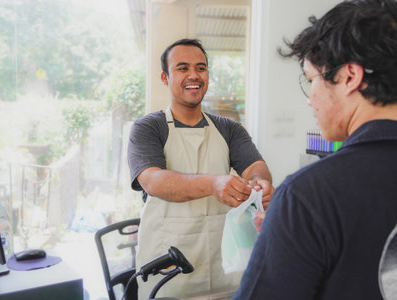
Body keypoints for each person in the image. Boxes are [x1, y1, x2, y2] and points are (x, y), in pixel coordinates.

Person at [233, 0, 397, 299]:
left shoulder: (308, 196)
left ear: (349, 76)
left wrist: (286, 231)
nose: (310, 99)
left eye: (311, 79)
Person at [128, 38, 273, 299]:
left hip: (224, 265)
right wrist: (213, 184)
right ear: (165, 77)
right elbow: (153, 180)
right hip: (169, 266)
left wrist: (260, 183)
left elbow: (255, 167)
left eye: (201, 68)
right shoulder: (149, 128)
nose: (194, 75)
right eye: (182, 68)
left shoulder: (229, 128)